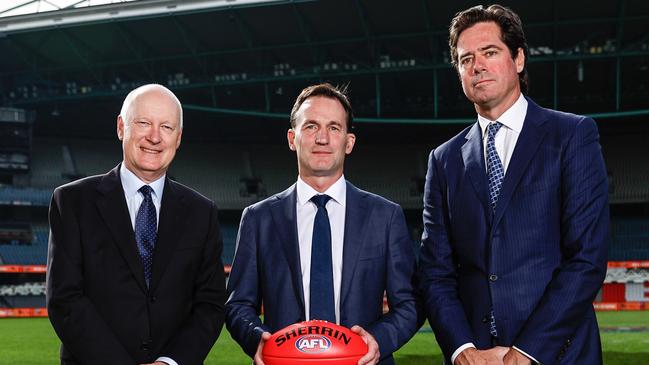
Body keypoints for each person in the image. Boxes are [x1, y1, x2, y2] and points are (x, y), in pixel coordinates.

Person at [417, 4, 609, 365]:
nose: (477, 65)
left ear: (518, 58)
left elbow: (586, 258)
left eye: (490, 52)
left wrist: (527, 352)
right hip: (476, 358)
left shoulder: (572, 135)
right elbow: (435, 272)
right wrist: (462, 351)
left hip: (557, 354)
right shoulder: (443, 160)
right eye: (465, 59)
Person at [225, 83, 419, 365]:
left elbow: (410, 303)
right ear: (293, 138)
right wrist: (260, 341)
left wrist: (376, 341)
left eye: (334, 128)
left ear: (348, 142)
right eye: (311, 127)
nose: (323, 139)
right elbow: (239, 304)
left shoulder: (385, 216)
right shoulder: (258, 218)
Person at [46, 84, 227, 365]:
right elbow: (66, 300)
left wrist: (170, 362)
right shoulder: (72, 201)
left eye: (166, 127)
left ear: (178, 138)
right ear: (121, 127)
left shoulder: (202, 212)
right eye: (143, 123)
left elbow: (210, 303)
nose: (154, 137)